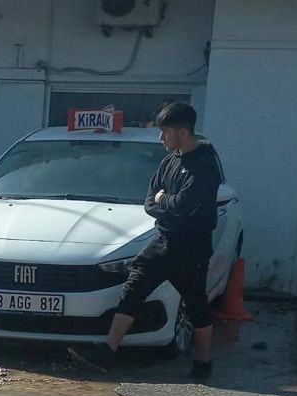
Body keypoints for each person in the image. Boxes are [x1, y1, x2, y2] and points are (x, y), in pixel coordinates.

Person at [77, 101, 225, 381]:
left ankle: (204, 363)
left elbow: (185, 204)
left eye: (164, 132)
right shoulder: (170, 160)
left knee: (196, 303)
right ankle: (108, 351)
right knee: (134, 288)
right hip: (163, 239)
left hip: (192, 246)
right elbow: (150, 201)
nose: (161, 138)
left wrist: (163, 199)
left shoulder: (205, 164)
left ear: (182, 132)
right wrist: (162, 202)